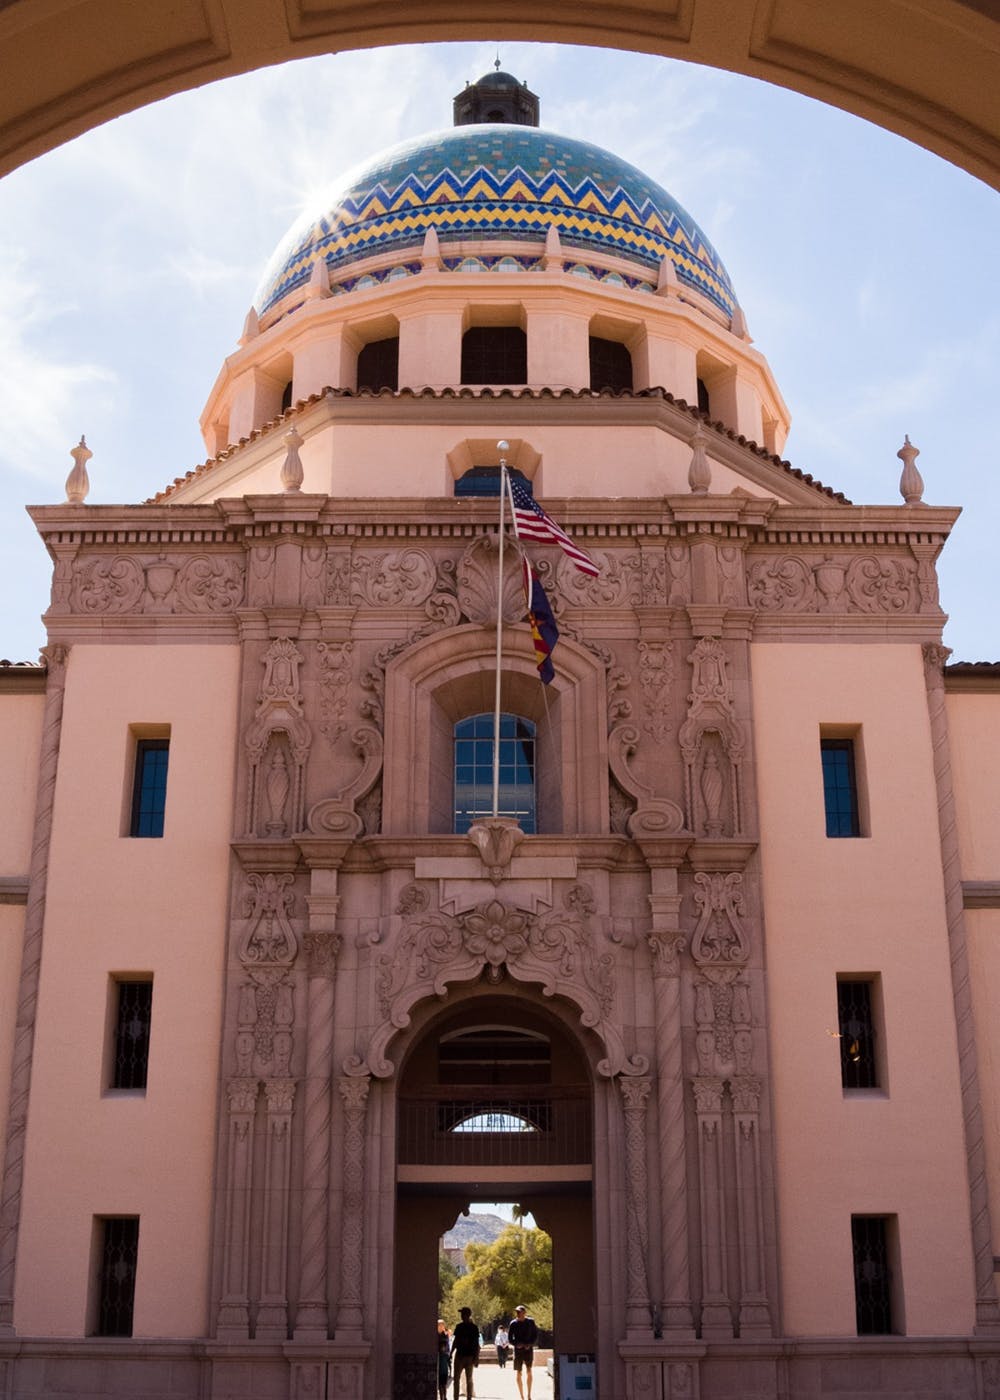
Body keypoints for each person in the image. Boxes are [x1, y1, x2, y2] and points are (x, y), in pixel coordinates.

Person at [508, 1304, 539, 1399]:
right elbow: (510, 1338)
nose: (518, 1313)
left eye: (519, 1312)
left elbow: (535, 1335)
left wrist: (530, 1344)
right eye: (517, 1312)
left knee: (529, 1371)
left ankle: (529, 1394)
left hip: (528, 1350)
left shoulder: (530, 1322)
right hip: (518, 1351)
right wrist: (516, 1344)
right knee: (519, 1372)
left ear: (524, 1313)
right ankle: (522, 1396)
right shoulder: (513, 1323)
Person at [451, 1306, 480, 1400]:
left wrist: (476, 1357)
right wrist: (451, 1353)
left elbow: (476, 1344)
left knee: (465, 1379)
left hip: (466, 1356)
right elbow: (455, 1341)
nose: (461, 1316)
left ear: (467, 1315)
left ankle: (467, 1398)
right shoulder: (461, 1327)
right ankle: (460, 1398)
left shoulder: (472, 1328)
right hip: (463, 1356)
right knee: (461, 1379)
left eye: (463, 1314)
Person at [436, 1319, 451, 1400]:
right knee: (439, 1379)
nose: (441, 1327)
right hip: (437, 1358)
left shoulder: (445, 1335)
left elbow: (446, 1347)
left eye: (442, 1325)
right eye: (439, 1325)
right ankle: (441, 1396)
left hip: (443, 1358)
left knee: (443, 1378)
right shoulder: (435, 1335)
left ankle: (444, 1396)